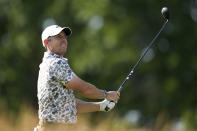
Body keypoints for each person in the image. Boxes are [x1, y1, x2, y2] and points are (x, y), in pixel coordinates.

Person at [34, 25, 120, 131]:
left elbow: (69, 103)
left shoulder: (46, 64)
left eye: (64, 37)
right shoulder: (56, 63)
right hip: (55, 127)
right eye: (58, 37)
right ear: (47, 42)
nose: (63, 40)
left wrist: (101, 106)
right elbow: (85, 89)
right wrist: (107, 94)